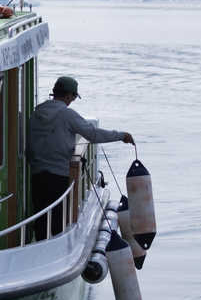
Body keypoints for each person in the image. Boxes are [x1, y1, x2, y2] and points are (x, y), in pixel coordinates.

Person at [27, 75, 134, 239]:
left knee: (41, 217)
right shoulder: (67, 114)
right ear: (68, 95)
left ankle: (39, 250)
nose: (72, 101)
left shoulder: (36, 113)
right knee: (58, 222)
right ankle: (59, 253)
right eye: (74, 97)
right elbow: (92, 134)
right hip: (59, 176)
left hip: (36, 174)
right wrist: (121, 136)